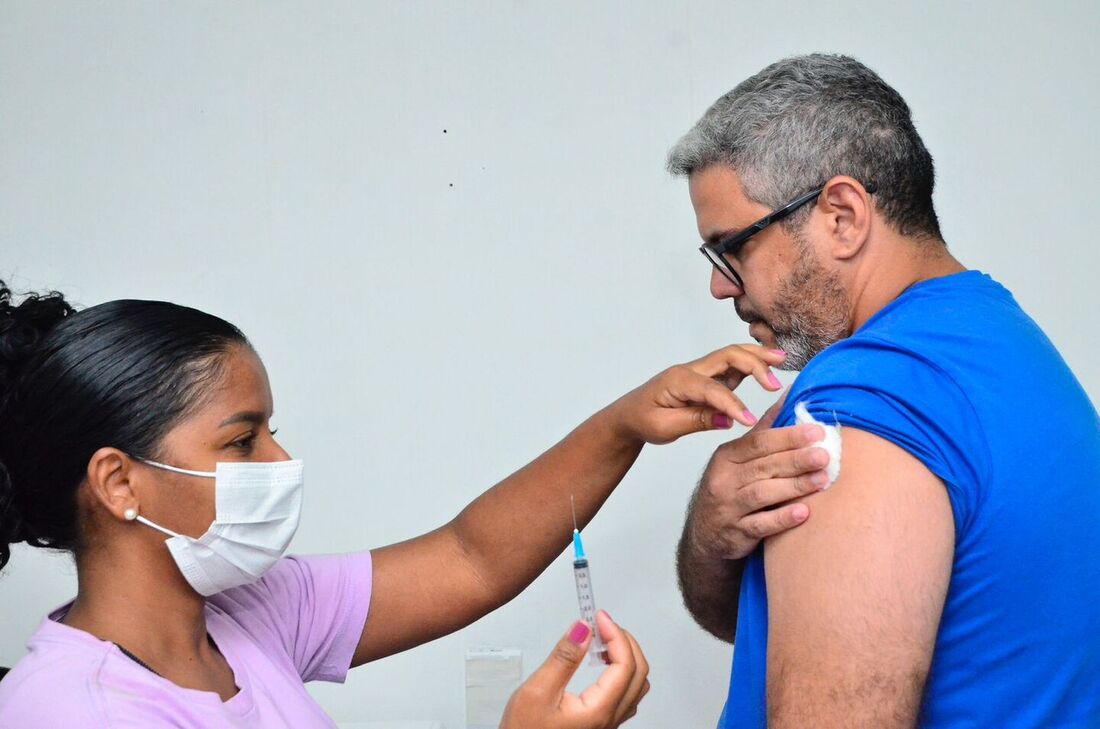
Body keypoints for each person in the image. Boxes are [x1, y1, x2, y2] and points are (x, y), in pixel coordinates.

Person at [0, 280, 786, 728]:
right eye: (242, 441)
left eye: (274, 430)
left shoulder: (245, 615)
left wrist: (627, 423)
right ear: (118, 483)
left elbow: (469, 557)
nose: (281, 461)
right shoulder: (71, 709)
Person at [668, 54, 1100, 727]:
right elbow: (801, 631)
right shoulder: (1004, 343)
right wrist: (709, 531)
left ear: (842, 215)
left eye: (734, 248)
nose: (721, 285)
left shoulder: (866, 399)